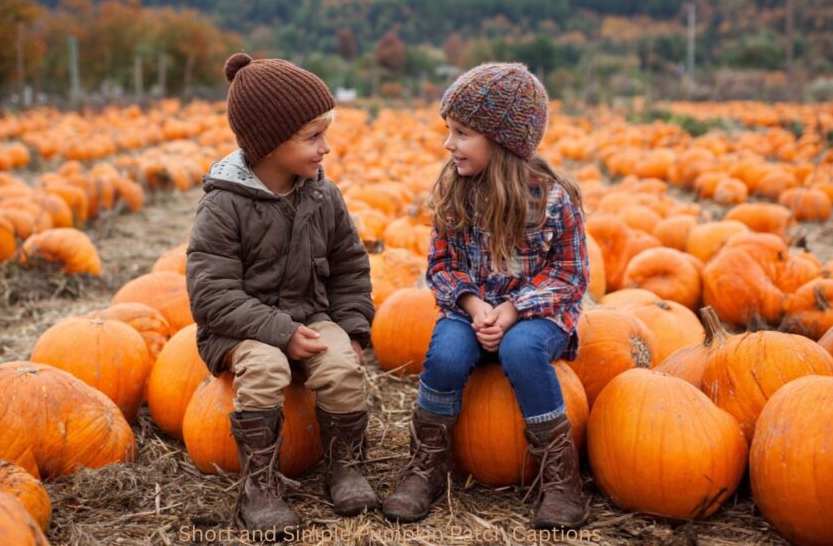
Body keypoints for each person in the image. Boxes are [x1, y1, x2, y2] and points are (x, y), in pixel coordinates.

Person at [383, 62, 591, 529]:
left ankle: (560, 478)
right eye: (447, 130)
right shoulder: (454, 194)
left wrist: (515, 310)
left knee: (522, 348)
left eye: (461, 133)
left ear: (501, 141)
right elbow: (440, 268)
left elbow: (570, 276)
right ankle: (427, 466)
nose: (448, 144)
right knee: (448, 354)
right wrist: (475, 307)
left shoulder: (554, 200)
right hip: (472, 310)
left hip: (537, 315)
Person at [186, 52, 378, 536]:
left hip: (309, 314)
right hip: (240, 329)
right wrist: (280, 332)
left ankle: (345, 464)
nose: (325, 148)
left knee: (340, 366)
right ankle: (261, 483)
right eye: (312, 137)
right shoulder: (224, 205)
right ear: (269, 142)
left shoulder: (323, 195)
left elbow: (350, 266)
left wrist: (353, 328)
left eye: (325, 135)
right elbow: (211, 294)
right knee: (267, 366)